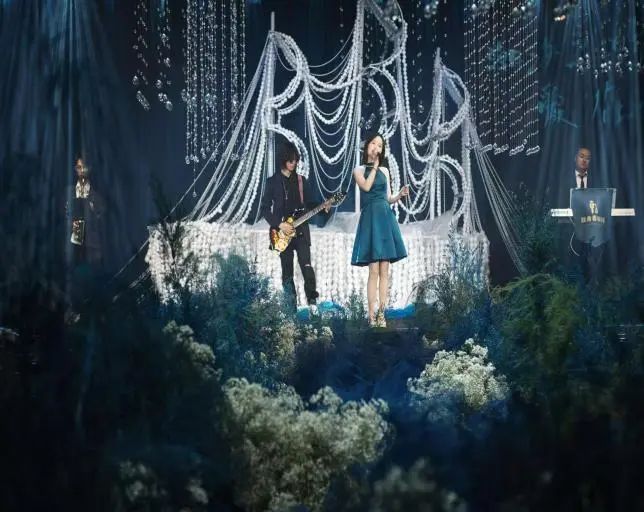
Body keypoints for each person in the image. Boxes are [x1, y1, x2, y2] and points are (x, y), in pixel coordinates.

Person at [260, 141, 329, 314]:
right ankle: (291, 311)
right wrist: (279, 224)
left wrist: (324, 208)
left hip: (301, 230)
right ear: (283, 159)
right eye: (290, 160)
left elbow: (311, 204)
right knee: (287, 272)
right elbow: (264, 208)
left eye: (296, 160)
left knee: (307, 266)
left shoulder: (301, 181)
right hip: (282, 233)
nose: (294, 163)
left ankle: (313, 304)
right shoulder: (272, 182)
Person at [351, 133, 409, 327]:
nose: (376, 147)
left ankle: (382, 315)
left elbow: (388, 197)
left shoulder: (384, 170)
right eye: (374, 143)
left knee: (385, 269)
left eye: (380, 145)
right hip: (371, 218)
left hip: (384, 217)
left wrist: (399, 195)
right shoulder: (359, 170)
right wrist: (374, 166)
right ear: (367, 145)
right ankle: (371, 315)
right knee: (374, 270)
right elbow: (367, 187)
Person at [66, 158, 105, 268]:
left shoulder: (95, 191)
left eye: (84, 167)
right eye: (79, 167)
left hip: (91, 228)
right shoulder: (71, 190)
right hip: (78, 226)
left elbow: (101, 209)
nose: (82, 170)